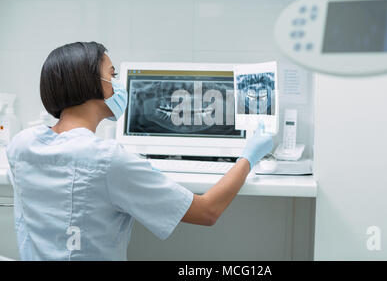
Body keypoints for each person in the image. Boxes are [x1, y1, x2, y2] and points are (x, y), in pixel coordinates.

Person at [6, 41, 273, 260]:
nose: (118, 83)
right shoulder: (106, 160)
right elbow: (207, 211)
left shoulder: (21, 144)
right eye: (112, 74)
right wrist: (248, 157)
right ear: (91, 84)